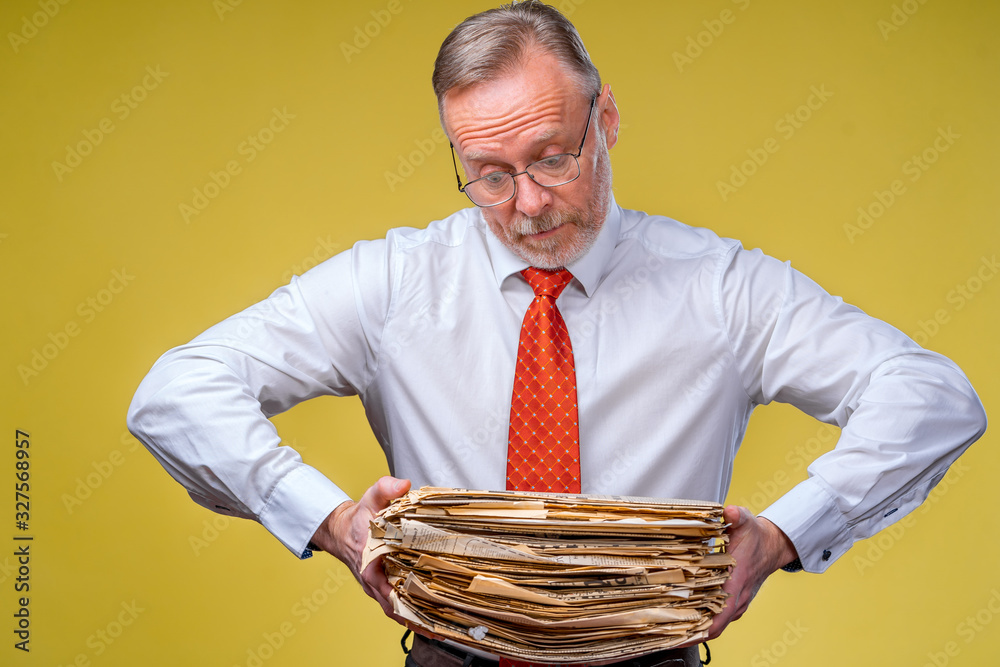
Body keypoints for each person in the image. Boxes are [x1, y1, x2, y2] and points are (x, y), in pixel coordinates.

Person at [127, 2, 986, 666]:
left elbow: (932, 397)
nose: (528, 204)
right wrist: (331, 521)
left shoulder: (724, 288)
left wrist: (786, 533)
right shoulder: (394, 281)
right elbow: (177, 392)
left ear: (605, 119)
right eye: (489, 175)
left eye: (551, 158)